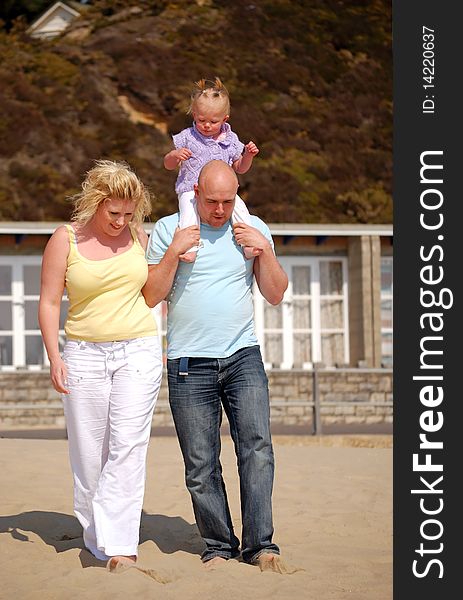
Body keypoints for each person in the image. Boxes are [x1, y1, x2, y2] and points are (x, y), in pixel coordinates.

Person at [143, 160, 289, 572]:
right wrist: (173, 252)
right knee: (200, 464)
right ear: (195, 194)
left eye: (228, 200)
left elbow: (275, 293)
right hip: (189, 363)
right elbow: (151, 294)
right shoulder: (172, 229)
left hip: (243, 356)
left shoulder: (251, 226)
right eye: (212, 202)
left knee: (257, 451)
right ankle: (220, 546)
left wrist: (264, 251)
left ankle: (261, 545)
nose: (220, 210)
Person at [38, 160, 162, 572]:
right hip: (84, 355)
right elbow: (50, 302)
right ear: (96, 202)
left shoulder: (139, 237)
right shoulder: (65, 239)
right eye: (114, 213)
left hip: (138, 351)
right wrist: (55, 356)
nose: (122, 221)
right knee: (90, 453)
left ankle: (122, 546)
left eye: (130, 213)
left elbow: (151, 294)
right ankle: (97, 539)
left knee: (128, 447)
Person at [163, 77, 262, 262]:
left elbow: (239, 168)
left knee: (241, 210)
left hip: (222, 193)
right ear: (194, 115)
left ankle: (247, 244)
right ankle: (189, 247)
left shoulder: (230, 140)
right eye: (201, 120)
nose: (207, 125)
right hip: (190, 188)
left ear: (225, 119)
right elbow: (167, 164)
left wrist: (248, 156)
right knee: (188, 214)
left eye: (213, 121)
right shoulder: (187, 137)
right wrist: (175, 156)